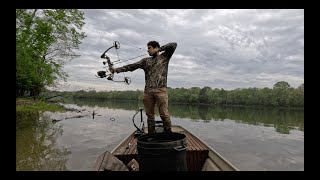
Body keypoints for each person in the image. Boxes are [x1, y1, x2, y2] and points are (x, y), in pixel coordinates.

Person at [109, 41, 177, 133]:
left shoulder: (164, 57)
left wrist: (159, 50)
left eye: (149, 48)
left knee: (164, 114)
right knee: (150, 115)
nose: (147, 50)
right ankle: (151, 136)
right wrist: (116, 70)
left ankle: (168, 135)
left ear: (155, 47)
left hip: (161, 90)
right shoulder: (145, 61)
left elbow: (173, 45)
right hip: (148, 92)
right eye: (148, 48)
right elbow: (132, 66)